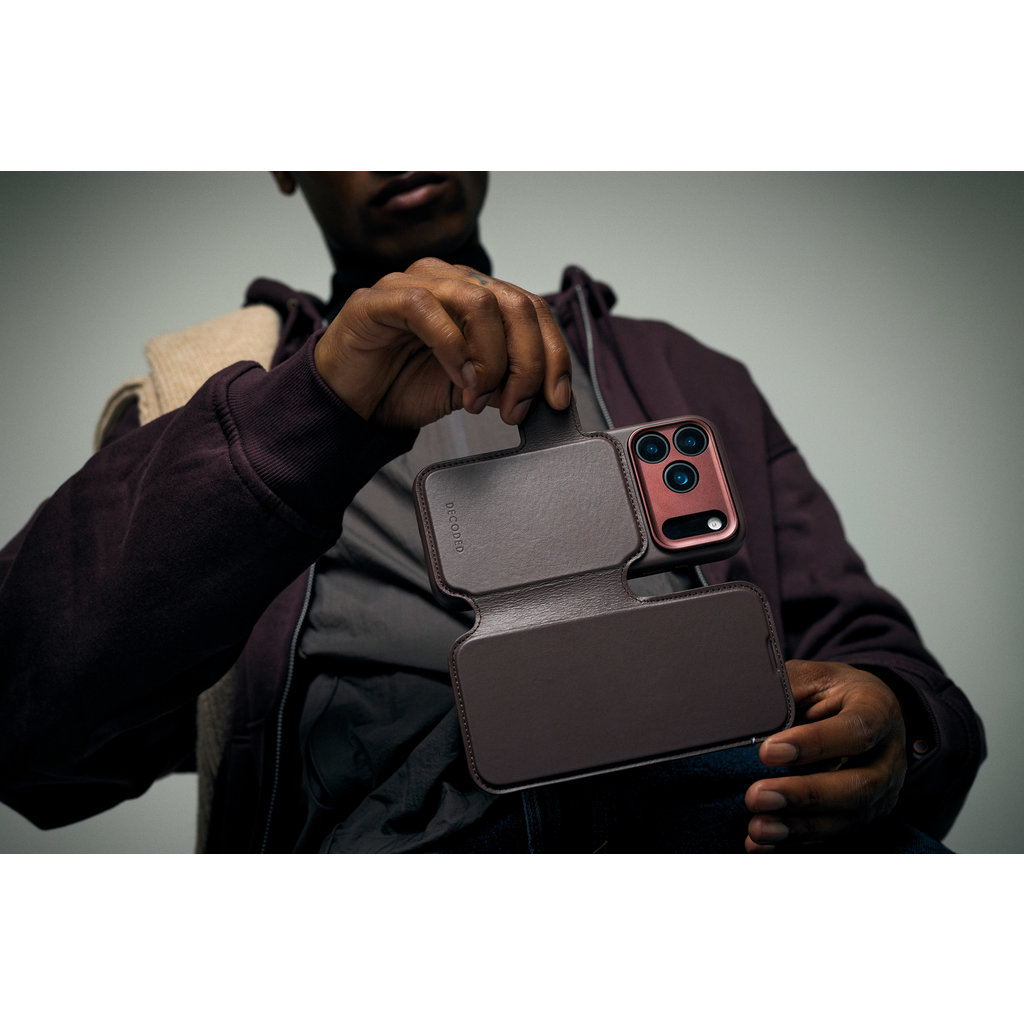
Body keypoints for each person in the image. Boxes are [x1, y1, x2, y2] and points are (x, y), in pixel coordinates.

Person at [0, 172, 985, 853]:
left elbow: (868, 653)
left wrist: (896, 722)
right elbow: (29, 734)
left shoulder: (687, 374)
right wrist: (310, 416)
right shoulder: (199, 409)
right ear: (284, 164)